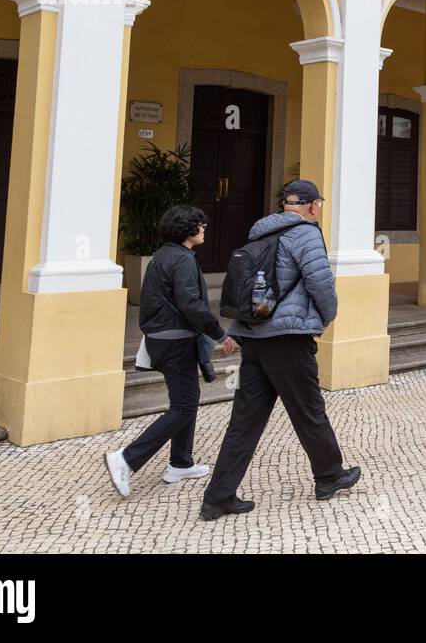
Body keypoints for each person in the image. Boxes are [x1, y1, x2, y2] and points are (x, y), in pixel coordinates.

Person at [200, 180, 360, 520]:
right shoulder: (306, 233)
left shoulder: (260, 232)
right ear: (313, 206)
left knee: (244, 421)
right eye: (319, 205)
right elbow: (320, 283)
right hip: (288, 339)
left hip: (255, 340)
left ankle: (218, 497)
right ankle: (330, 476)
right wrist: (327, 317)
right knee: (308, 409)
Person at [106, 205, 234, 498]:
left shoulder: (164, 255)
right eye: (200, 225)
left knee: (185, 400)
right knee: (185, 406)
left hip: (163, 339)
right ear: (188, 229)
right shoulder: (182, 260)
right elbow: (191, 303)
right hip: (175, 341)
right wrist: (220, 333)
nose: (204, 229)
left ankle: (181, 463)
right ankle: (126, 459)